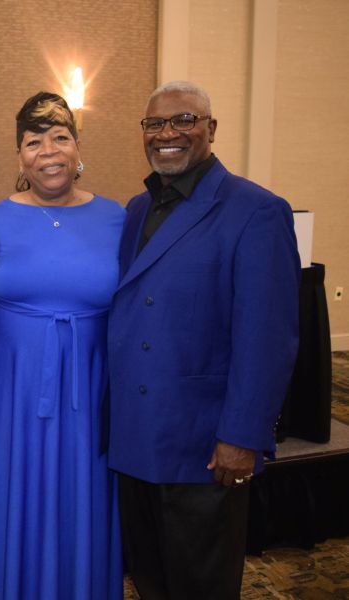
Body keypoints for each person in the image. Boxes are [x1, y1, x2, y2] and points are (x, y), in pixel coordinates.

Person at [108, 81, 301, 599]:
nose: (167, 133)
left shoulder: (256, 210)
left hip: (203, 447)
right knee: (150, 581)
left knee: (201, 587)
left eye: (184, 120)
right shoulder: (135, 209)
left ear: (211, 129)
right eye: (155, 124)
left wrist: (243, 436)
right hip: (135, 441)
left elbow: (267, 339)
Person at [0, 92, 125, 599]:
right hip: (9, 395)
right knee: (8, 497)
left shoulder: (117, 218)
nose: (49, 151)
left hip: (88, 390)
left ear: (78, 147)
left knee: (79, 496)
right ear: (20, 156)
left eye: (60, 137)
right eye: (33, 141)